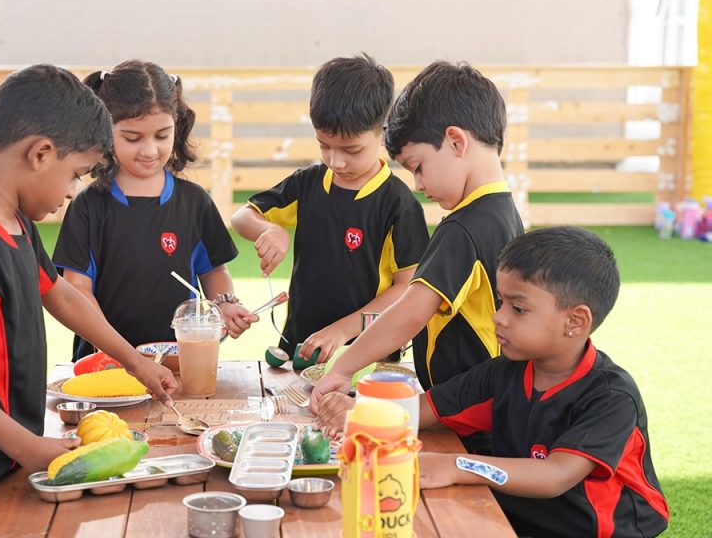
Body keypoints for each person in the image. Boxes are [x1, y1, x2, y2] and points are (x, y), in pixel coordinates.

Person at [0, 64, 178, 537]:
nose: (72, 191)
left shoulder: (17, 225)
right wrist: (26, 446)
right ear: (40, 154)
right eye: (74, 174)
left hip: (7, 453)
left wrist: (134, 361)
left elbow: (62, 297)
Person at [323, 227, 670, 537]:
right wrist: (358, 411)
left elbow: (554, 476)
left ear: (575, 322)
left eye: (518, 309)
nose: (498, 317)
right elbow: (419, 411)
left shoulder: (611, 396)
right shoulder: (502, 373)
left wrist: (456, 465)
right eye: (501, 301)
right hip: (519, 523)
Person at [311, 61, 524, 434]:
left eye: (418, 167)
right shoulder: (505, 213)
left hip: (466, 421)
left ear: (456, 142)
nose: (419, 184)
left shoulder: (462, 229)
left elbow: (410, 312)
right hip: (489, 408)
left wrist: (342, 368)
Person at [231, 54, 429, 366]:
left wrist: (340, 332)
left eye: (352, 150)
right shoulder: (307, 184)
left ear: (383, 133)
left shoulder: (398, 204)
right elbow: (242, 217)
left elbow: (407, 289)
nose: (335, 161)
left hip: (366, 356)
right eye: (324, 145)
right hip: (300, 348)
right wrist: (269, 229)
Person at [52, 60, 256, 361]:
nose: (149, 150)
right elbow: (77, 288)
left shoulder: (195, 202)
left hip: (180, 360)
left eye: (162, 135)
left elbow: (214, 271)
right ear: (105, 132)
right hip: (106, 363)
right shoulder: (88, 207)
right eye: (132, 138)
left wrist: (224, 304)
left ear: (177, 126)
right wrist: (117, 352)